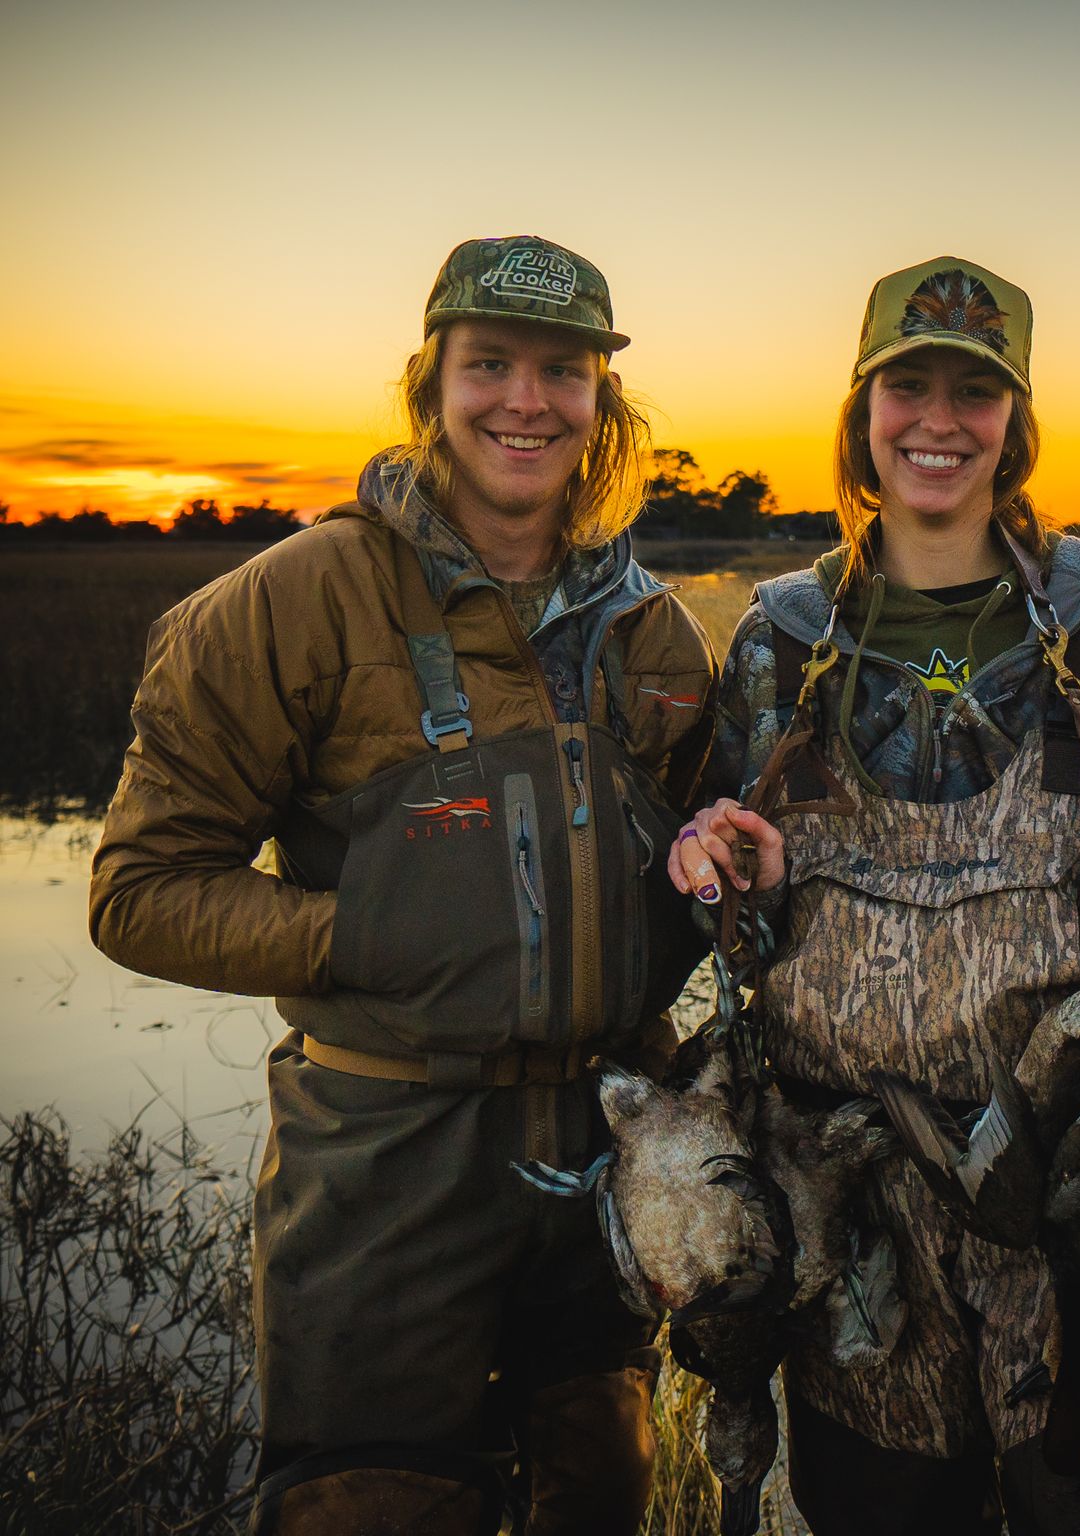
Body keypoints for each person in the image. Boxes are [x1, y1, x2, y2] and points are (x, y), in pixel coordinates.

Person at [90, 235, 716, 1535]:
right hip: (383, 1170)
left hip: (602, 1165)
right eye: (489, 365)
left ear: (604, 400)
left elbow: (704, 868)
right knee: (368, 1508)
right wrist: (363, 933)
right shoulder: (292, 605)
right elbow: (139, 888)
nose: (525, 402)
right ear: (432, 384)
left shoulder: (650, 630)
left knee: (595, 1485)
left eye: (563, 370)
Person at [668, 256, 1080, 1535]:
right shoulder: (783, 640)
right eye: (908, 386)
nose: (940, 422)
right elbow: (730, 915)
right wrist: (719, 870)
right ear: (861, 410)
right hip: (859, 1224)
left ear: (1018, 423)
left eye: (978, 390)